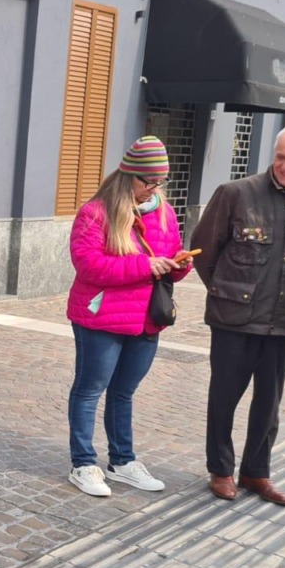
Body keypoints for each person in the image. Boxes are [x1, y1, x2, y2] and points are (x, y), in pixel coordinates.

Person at [190, 122, 285, 506]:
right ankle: (221, 469)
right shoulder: (235, 194)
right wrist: (229, 293)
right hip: (235, 320)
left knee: (269, 402)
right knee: (224, 398)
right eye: (281, 156)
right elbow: (203, 252)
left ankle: (256, 472)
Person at [65, 137, 192, 497]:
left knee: (124, 393)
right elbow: (88, 265)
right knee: (90, 390)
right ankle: (83, 463)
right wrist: (144, 265)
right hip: (101, 317)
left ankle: (122, 461)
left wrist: (179, 266)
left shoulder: (164, 213)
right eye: (146, 181)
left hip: (146, 318)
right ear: (127, 175)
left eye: (158, 182)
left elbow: (164, 265)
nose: (152, 188)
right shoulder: (96, 212)